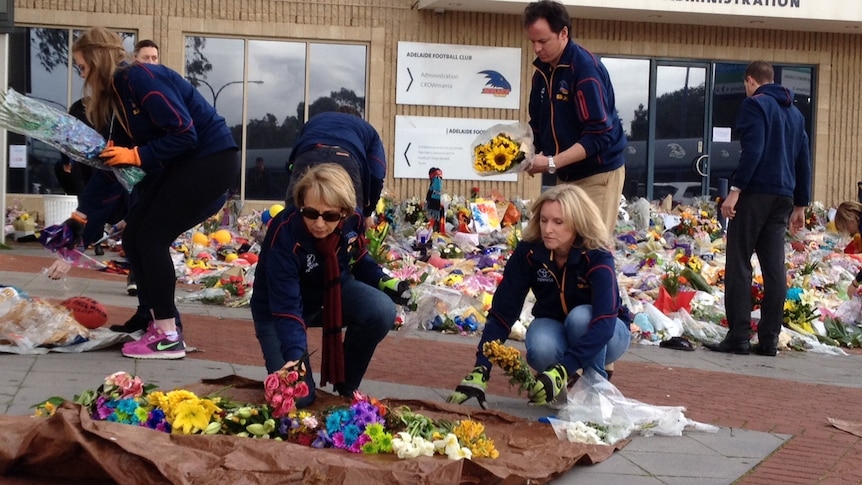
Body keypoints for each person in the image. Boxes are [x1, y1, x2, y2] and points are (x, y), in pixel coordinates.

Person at [58, 27, 239, 359]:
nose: (82, 75)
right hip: (187, 165)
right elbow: (111, 171)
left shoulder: (138, 79)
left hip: (210, 159)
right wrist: (79, 219)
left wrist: (137, 155)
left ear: (97, 60)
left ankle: (169, 336)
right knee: (135, 236)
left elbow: (185, 133)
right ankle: (157, 324)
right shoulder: (118, 100)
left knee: (151, 237)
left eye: (82, 67)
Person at [447, 184, 632, 408]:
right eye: (544, 220)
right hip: (555, 325)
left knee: (580, 317)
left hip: (608, 333)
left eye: (558, 222)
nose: (548, 229)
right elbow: (503, 312)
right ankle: (556, 385)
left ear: (578, 223)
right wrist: (481, 368)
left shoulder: (595, 253)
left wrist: (564, 367)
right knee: (539, 346)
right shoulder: (530, 252)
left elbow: (604, 320)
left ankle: (595, 391)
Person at [251, 163, 409, 407]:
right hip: (278, 309)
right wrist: (295, 359)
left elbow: (358, 259)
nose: (320, 224)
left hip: (329, 294)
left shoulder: (354, 221)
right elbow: (286, 307)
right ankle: (297, 372)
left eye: (331, 216)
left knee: (381, 310)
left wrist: (387, 282)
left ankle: (346, 387)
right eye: (311, 213)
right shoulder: (285, 234)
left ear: (344, 213)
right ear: (300, 205)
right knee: (300, 398)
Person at [706, 61, 811, 357]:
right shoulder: (795, 114)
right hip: (783, 198)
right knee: (774, 267)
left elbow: (754, 149)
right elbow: (803, 160)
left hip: (755, 193)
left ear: (750, 81)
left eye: (745, 86)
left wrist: (735, 192)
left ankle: (739, 336)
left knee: (739, 260)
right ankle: (769, 339)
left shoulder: (755, 106)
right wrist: (800, 204)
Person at [522, 0, 627, 238]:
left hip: (598, 175)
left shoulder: (585, 69)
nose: (537, 49)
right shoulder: (542, 72)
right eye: (533, 42)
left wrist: (550, 163)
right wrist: (521, 153)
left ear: (564, 33)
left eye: (543, 41)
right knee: (556, 246)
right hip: (566, 175)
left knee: (590, 249)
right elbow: (537, 125)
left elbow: (599, 135)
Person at [284, 106, 386, 228]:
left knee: (291, 218)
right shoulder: (367, 130)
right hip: (346, 159)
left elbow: (291, 161)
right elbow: (377, 174)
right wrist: (367, 212)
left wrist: (294, 178)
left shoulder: (316, 120)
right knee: (351, 225)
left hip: (308, 155)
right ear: (359, 120)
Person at [425, 167, 445, 234]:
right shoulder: (436, 179)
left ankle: (431, 234)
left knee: (433, 220)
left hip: (434, 204)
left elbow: (436, 192)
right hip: (434, 203)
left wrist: (434, 205)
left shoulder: (436, 179)